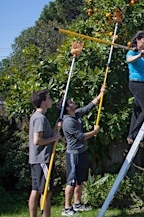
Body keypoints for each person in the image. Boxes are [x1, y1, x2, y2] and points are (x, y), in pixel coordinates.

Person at [58, 87, 104, 216]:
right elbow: (81, 136)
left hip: (82, 151)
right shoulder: (68, 122)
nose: (73, 102)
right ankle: (67, 208)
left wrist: (100, 94)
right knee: (71, 181)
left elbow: (89, 107)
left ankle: (77, 204)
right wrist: (94, 132)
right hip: (74, 154)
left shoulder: (76, 114)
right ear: (67, 108)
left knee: (80, 180)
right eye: (71, 102)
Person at [28, 89, 61, 217]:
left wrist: (56, 129)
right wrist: (54, 139)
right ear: (43, 102)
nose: (51, 100)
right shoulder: (40, 118)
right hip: (42, 160)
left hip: (36, 160)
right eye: (49, 98)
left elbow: (45, 136)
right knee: (46, 192)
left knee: (36, 190)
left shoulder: (37, 117)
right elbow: (37, 140)